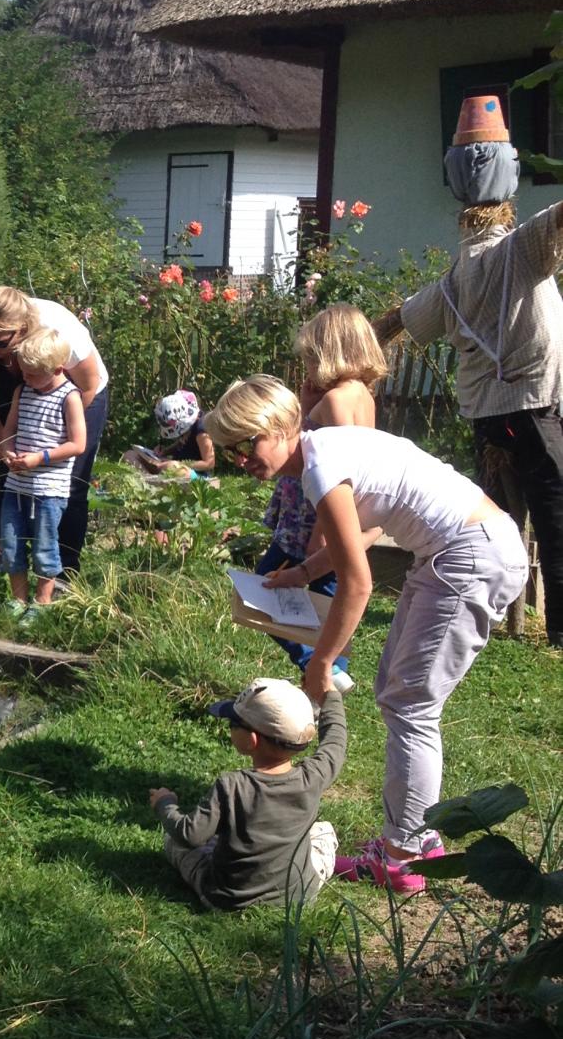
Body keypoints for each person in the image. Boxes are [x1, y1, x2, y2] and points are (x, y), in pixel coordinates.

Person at [207, 375, 529, 893]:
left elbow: (358, 583)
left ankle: (401, 857)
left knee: (410, 706)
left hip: (471, 557)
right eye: (231, 450)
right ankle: (415, 837)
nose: (242, 459)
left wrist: (320, 662)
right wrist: (304, 573)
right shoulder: (324, 449)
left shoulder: (320, 467)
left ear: (279, 427)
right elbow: (367, 528)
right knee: (398, 695)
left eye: (248, 443)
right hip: (460, 552)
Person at [377, 95, 563, 648]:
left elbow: (396, 321)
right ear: (509, 178)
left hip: (488, 420)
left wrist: (351, 347)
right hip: (530, 408)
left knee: (496, 527)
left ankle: (479, 622)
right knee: (556, 521)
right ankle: (559, 635)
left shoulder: (455, 280)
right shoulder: (521, 249)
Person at [256, 303, 386, 695]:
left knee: (266, 591)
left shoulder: (333, 403)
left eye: (311, 359)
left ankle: (322, 669)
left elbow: (338, 461)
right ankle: (326, 672)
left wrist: (319, 542)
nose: (307, 368)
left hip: (315, 518)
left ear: (330, 354)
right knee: (319, 601)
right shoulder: (361, 396)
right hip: (322, 515)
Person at [148, 675, 346, 911]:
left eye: (234, 723)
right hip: (297, 894)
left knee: (174, 840)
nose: (230, 726)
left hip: (227, 898)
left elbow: (190, 834)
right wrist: (331, 695)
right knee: (323, 832)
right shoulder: (314, 776)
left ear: (252, 740)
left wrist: (165, 804)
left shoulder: (232, 786)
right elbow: (335, 742)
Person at [0, 285, 109, 581]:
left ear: (23, 330)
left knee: (69, 484)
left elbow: (89, 385)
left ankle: (64, 574)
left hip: (76, 392)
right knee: (2, 476)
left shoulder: (62, 332)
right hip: (17, 390)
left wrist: (53, 440)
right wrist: (1, 434)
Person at [0, 326, 87, 622]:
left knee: (44, 546)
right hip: (16, 486)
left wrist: (40, 458)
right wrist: (8, 450)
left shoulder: (69, 397)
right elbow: (9, 430)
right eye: (23, 372)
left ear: (58, 369)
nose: (26, 378)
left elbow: (78, 443)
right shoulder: (22, 390)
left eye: (33, 374)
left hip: (49, 490)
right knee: (11, 544)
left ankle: (43, 601)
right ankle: (17, 599)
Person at [122, 389, 216, 476]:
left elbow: (209, 463)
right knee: (129, 455)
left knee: (170, 467)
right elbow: (182, 444)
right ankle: (148, 478)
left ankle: (152, 480)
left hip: (193, 474)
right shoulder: (186, 428)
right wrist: (164, 452)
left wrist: (180, 464)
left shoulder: (202, 431)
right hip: (172, 466)